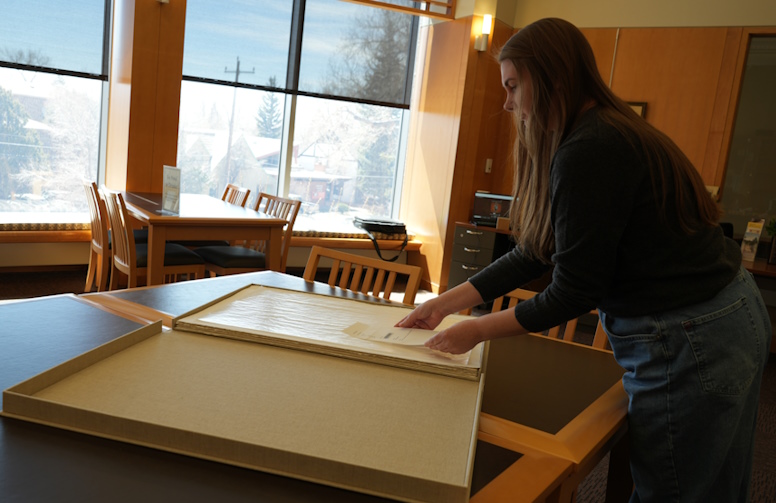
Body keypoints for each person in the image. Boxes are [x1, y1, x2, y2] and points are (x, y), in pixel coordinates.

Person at [396, 17, 771, 503]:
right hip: (726, 314)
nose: (507, 102)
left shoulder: (590, 148)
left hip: (691, 335)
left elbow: (573, 291)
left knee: (674, 491)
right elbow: (537, 250)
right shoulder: (606, 130)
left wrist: (474, 328)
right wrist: (449, 301)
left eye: (513, 85)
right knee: (713, 486)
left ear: (551, 77)